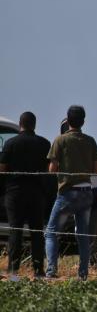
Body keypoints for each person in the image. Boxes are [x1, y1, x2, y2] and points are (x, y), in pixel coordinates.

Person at [45, 105, 97, 279]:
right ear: (83, 121)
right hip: (86, 193)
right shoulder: (90, 141)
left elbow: (52, 169)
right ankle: (83, 273)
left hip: (67, 193)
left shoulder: (60, 140)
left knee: (51, 232)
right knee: (83, 234)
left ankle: (51, 270)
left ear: (67, 121)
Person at [0, 112, 52, 279]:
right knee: (37, 232)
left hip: (14, 192)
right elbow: (49, 168)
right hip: (36, 193)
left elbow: (2, 169)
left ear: (20, 124)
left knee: (15, 231)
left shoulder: (10, 143)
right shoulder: (44, 144)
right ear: (34, 125)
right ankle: (38, 271)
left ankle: (13, 271)